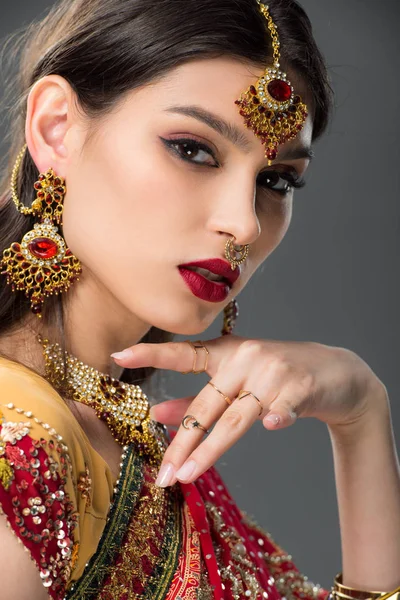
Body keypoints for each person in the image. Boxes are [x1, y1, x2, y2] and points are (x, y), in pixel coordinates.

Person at [0, 0, 399, 598]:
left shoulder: (117, 421)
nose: (244, 224)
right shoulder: (18, 451)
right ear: (56, 129)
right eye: (193, 149)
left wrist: (363, 412)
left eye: (276, 181)